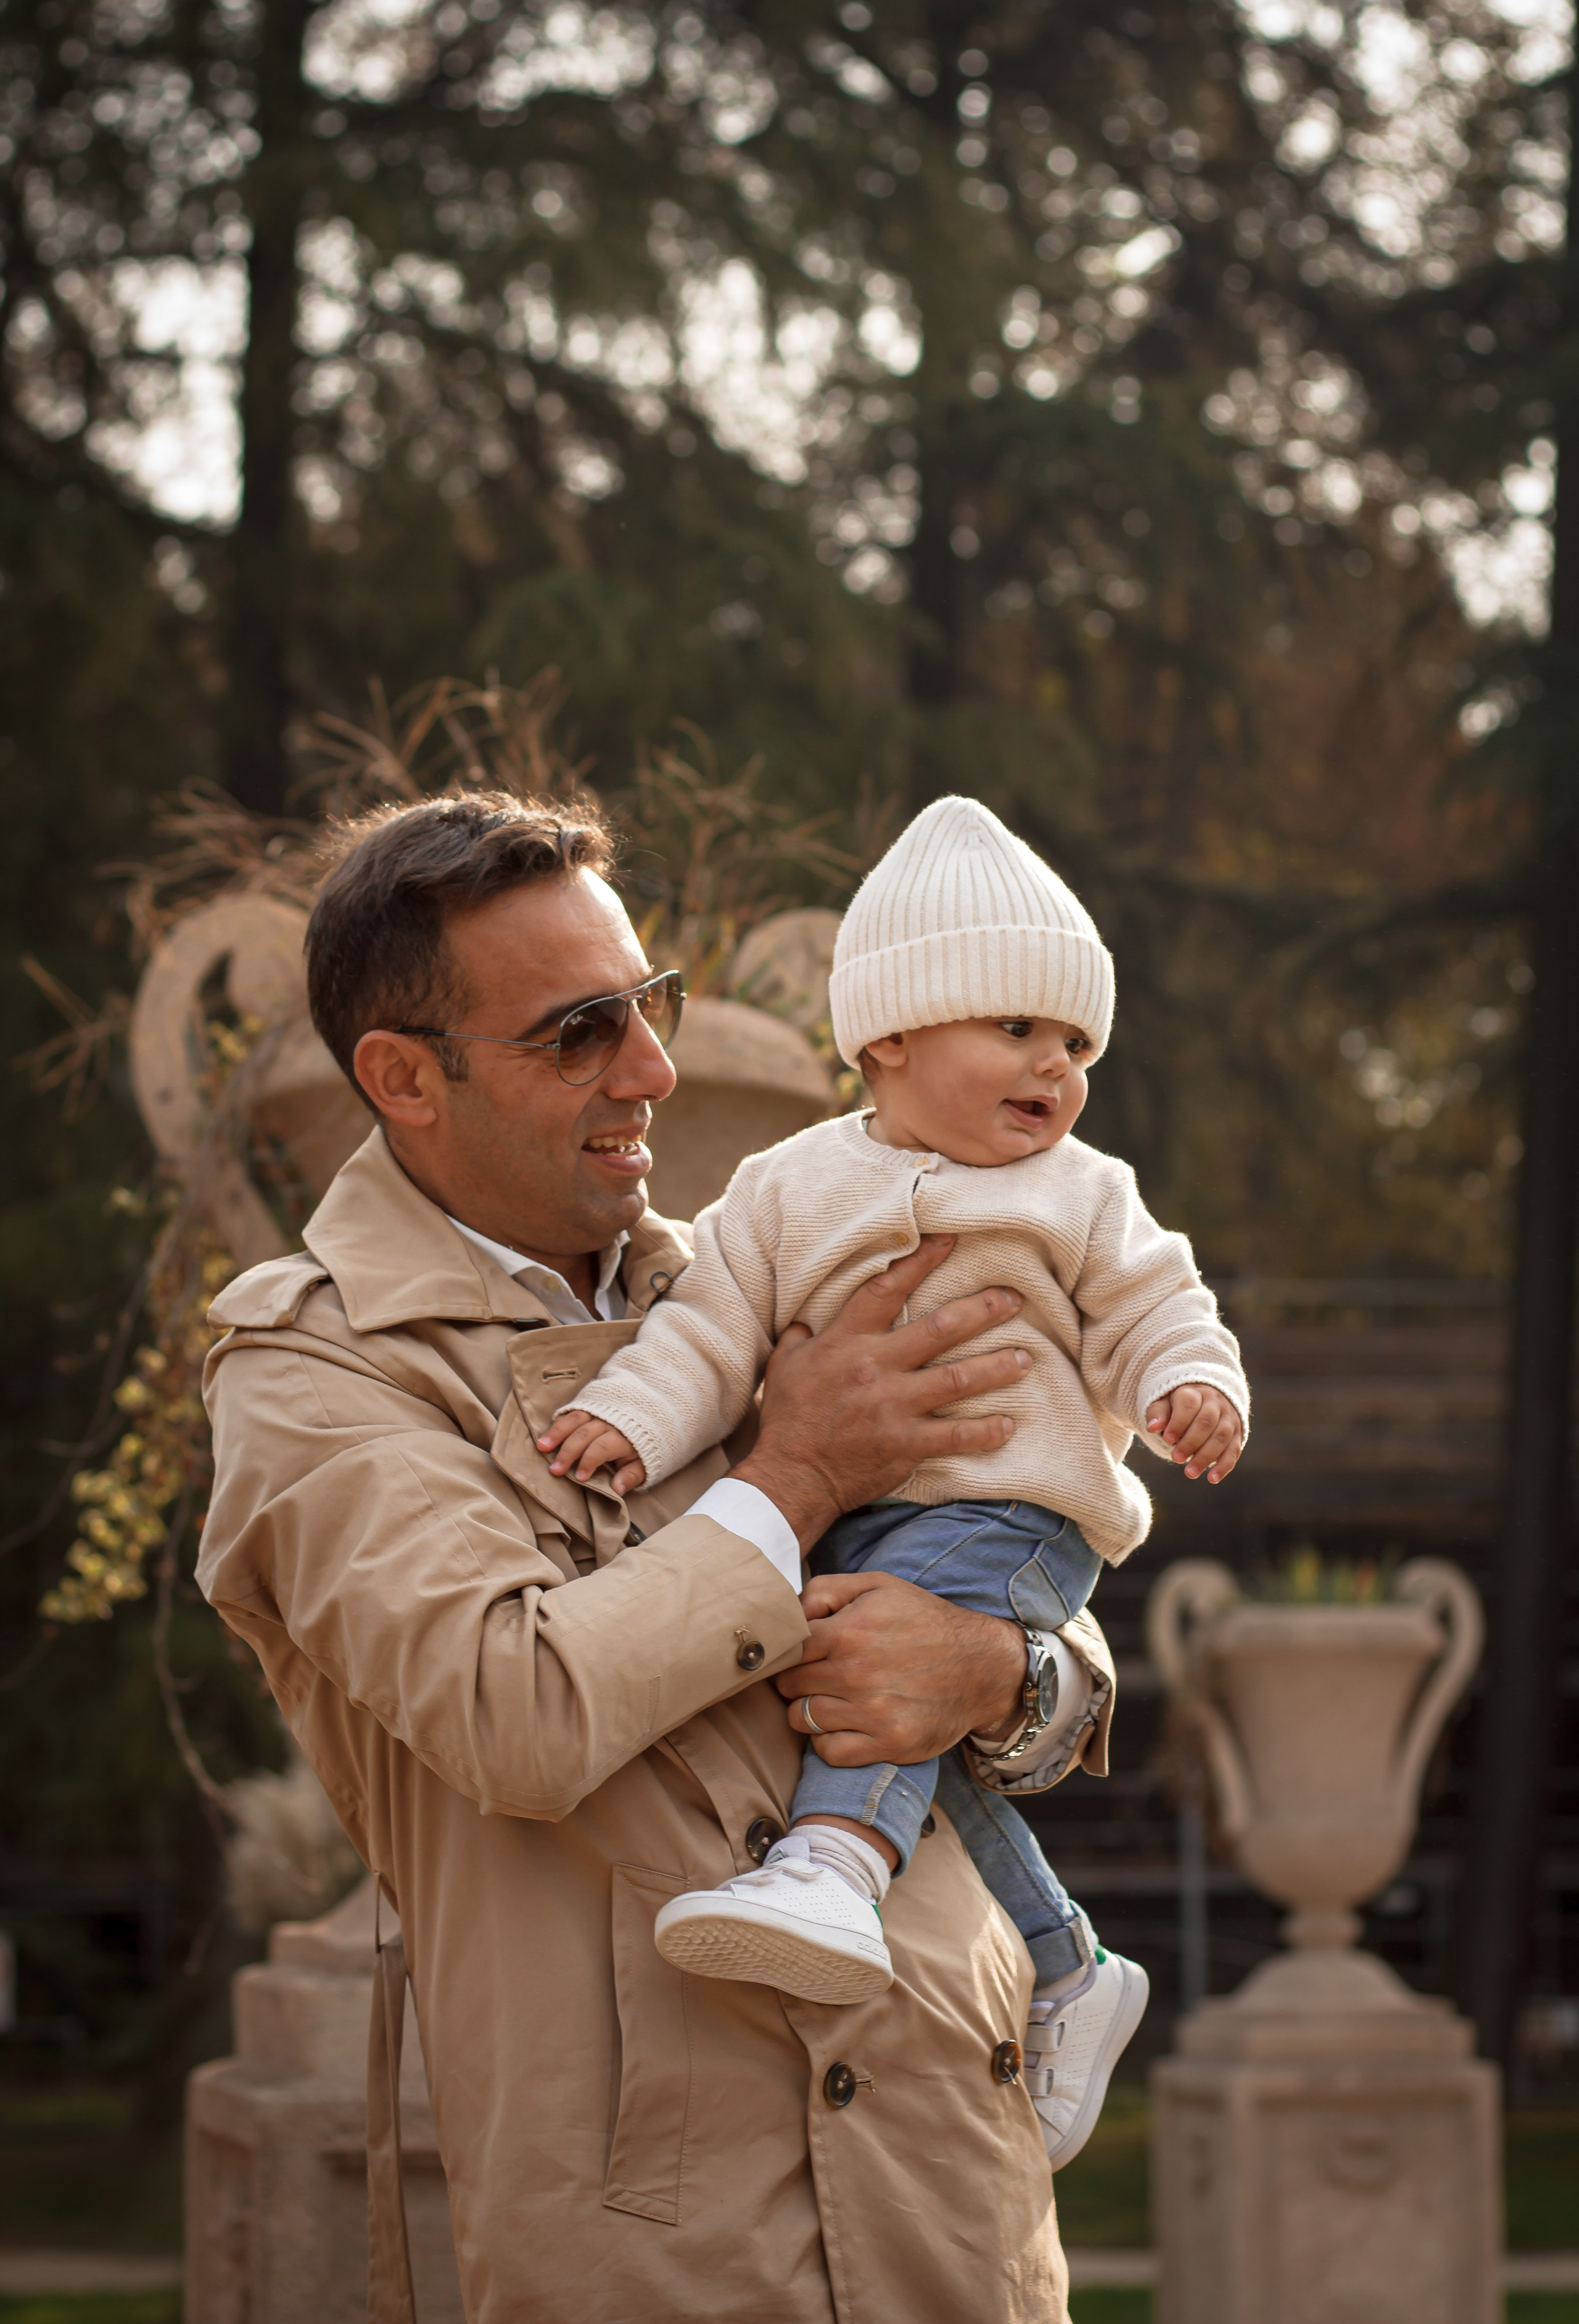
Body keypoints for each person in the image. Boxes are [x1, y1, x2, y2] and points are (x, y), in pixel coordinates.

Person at [196, 788, 1119, 2324]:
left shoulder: (757, 1269)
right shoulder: (312, 1372)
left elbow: (1023, 1541)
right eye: (579, 1033)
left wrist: (1001, 1674)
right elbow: (512, 1710)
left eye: (649, 1005)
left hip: (958, 2206)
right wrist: (796, 1475)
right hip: (665, 2253)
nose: (652, 1070)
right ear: (402, 1078)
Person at [543, 795, 1248, 2166]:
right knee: (888, 1697)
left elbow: (1161, 1303)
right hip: (856, 1516)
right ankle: (1070, 1965)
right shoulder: (783, 1187)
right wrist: (631, 1416)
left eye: (1074, 1043)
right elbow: (709, 1331)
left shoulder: (1083, 1192)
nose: (1053, 1065)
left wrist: (1190, 1385)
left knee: (877, 1659)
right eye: (1016, 1027)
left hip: (1012, 1505)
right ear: (889, 1040)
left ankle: (831, 1869)